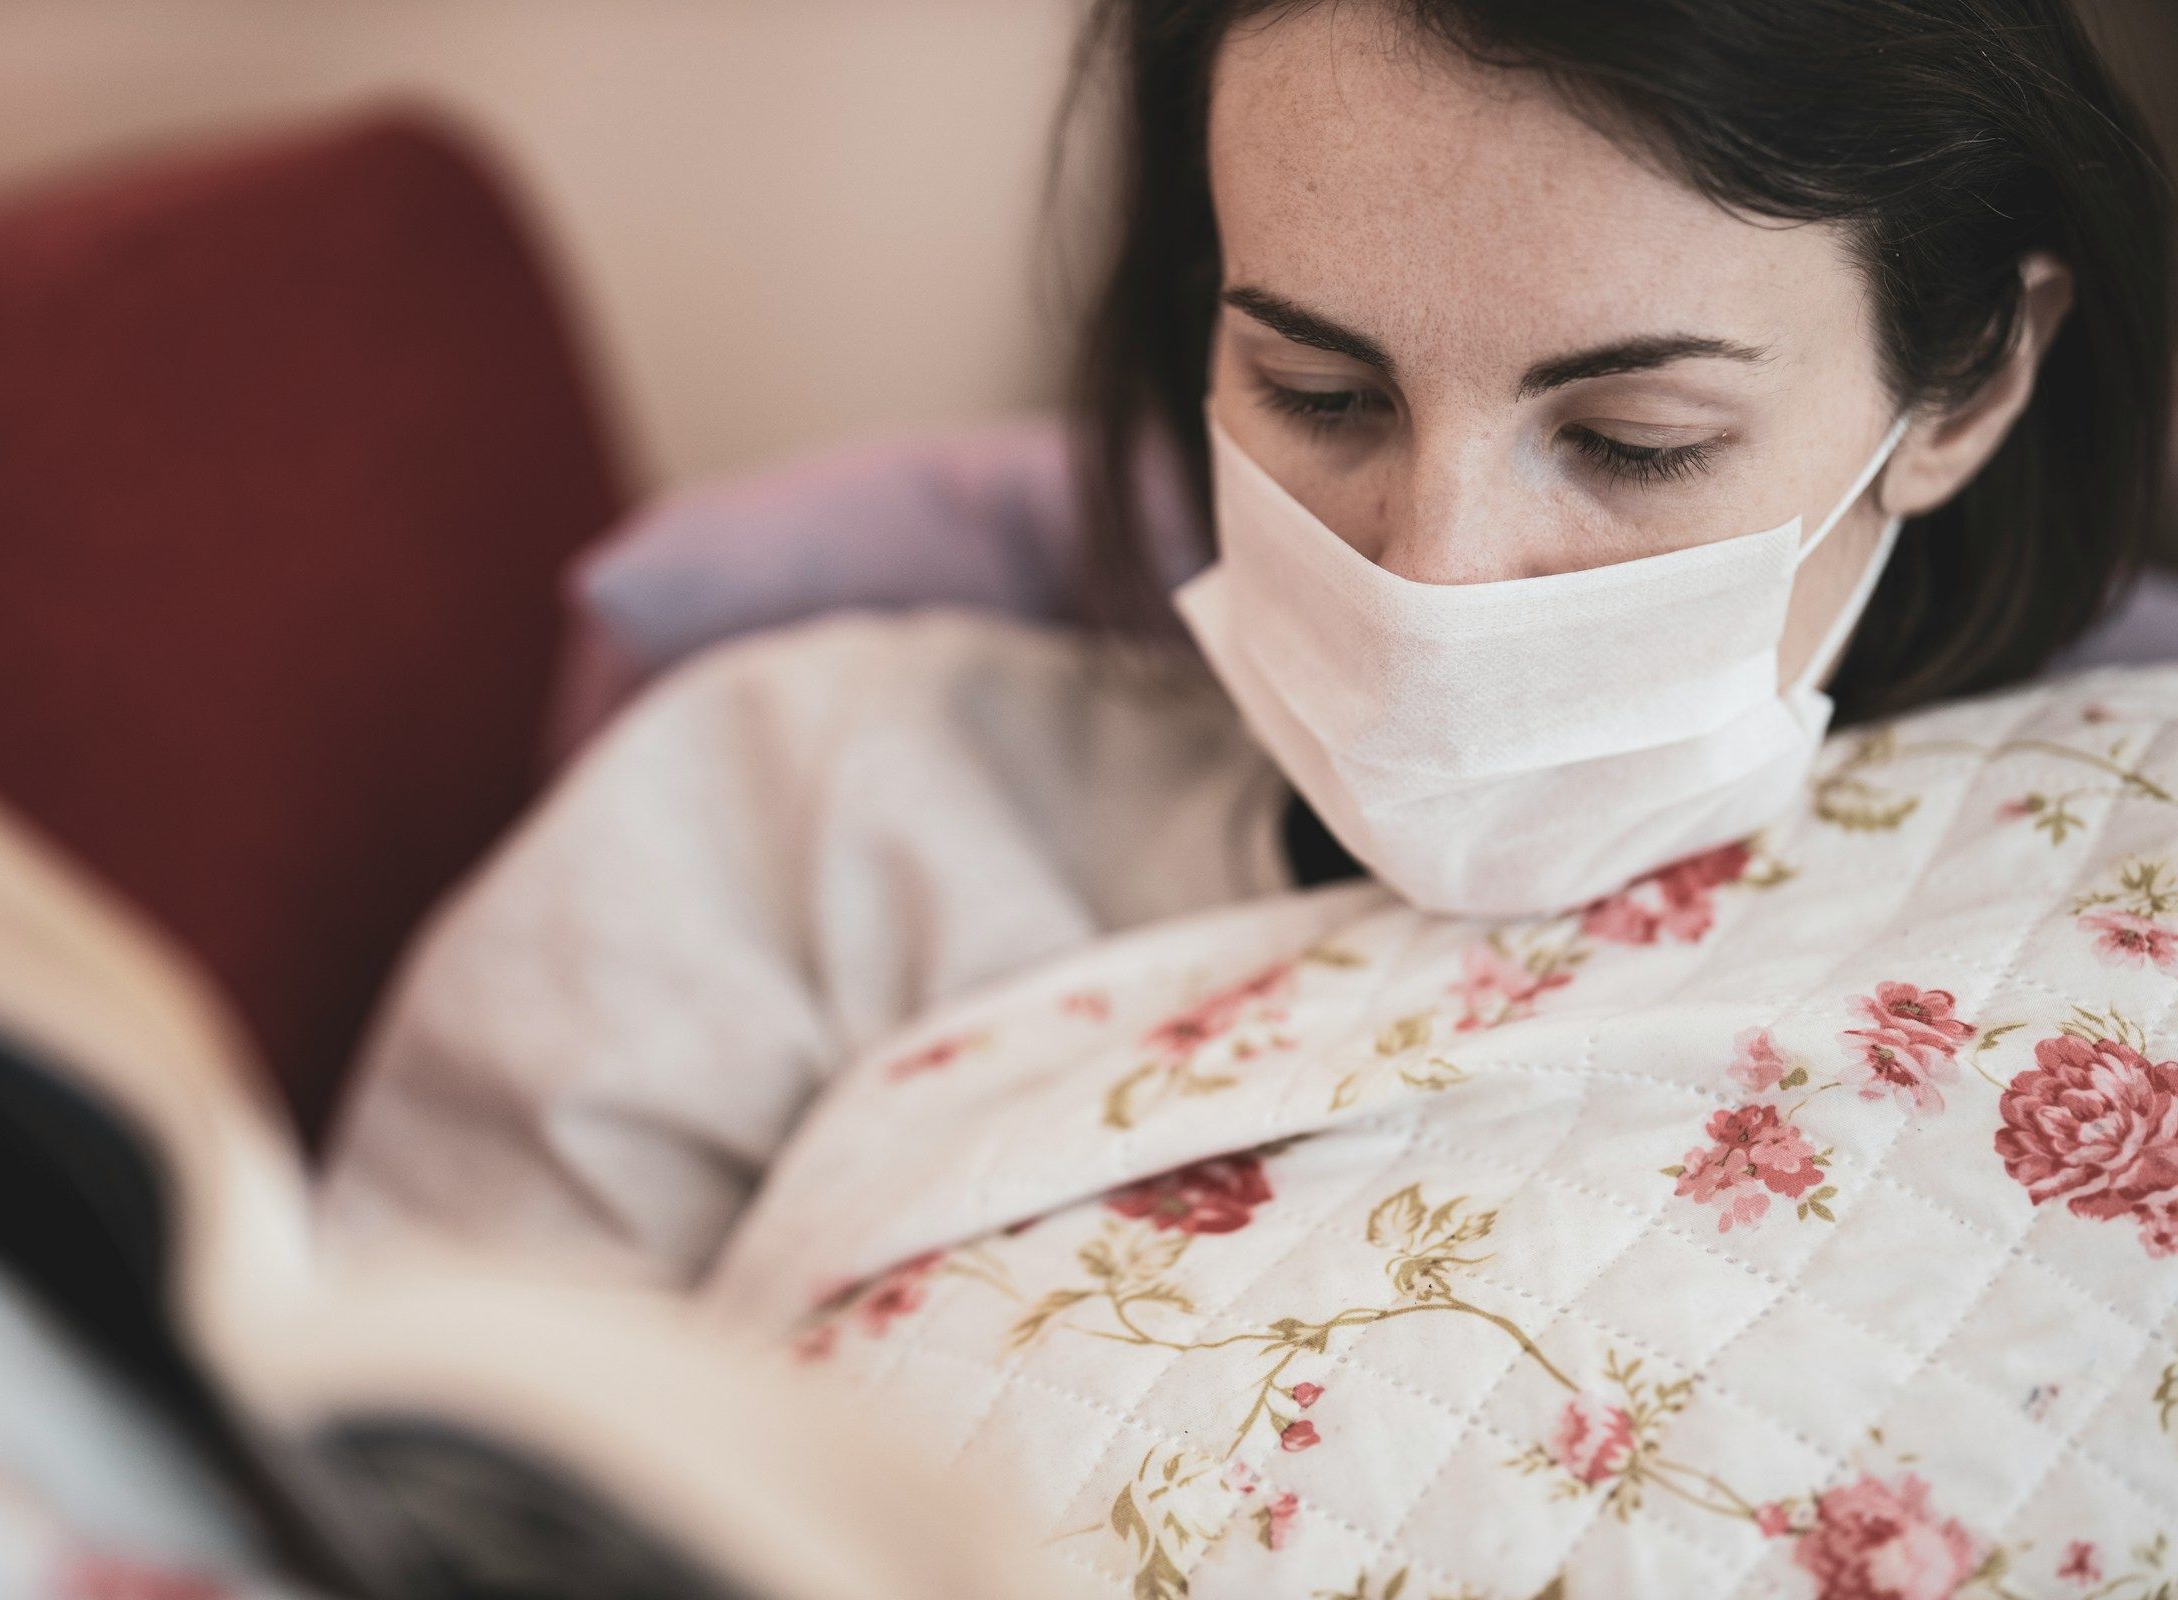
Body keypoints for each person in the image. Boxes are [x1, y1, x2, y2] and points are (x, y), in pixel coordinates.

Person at [325, 5, 2178, 1589]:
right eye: (1320, 392)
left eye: (1634, 444)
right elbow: (383, 1483)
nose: (1440, 572)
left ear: (1966, 387)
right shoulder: (809, 810)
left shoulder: (2123, 840)